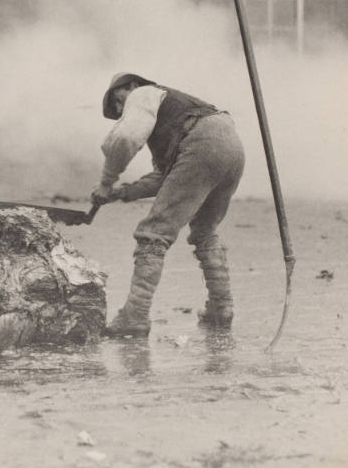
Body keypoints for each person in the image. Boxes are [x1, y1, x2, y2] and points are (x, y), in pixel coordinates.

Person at [91, 72, 245, 337]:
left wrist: (106, 182)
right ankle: (222, 309)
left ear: (130, 85)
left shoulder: (143, 94)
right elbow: (166, 177)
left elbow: (124, 139)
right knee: (205, 231)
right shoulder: (172, 113)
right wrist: (122, 193)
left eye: (117, 102)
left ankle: (135, 316)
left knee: (153, 233)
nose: (119, 111)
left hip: (201, 143)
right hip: (231, 145)